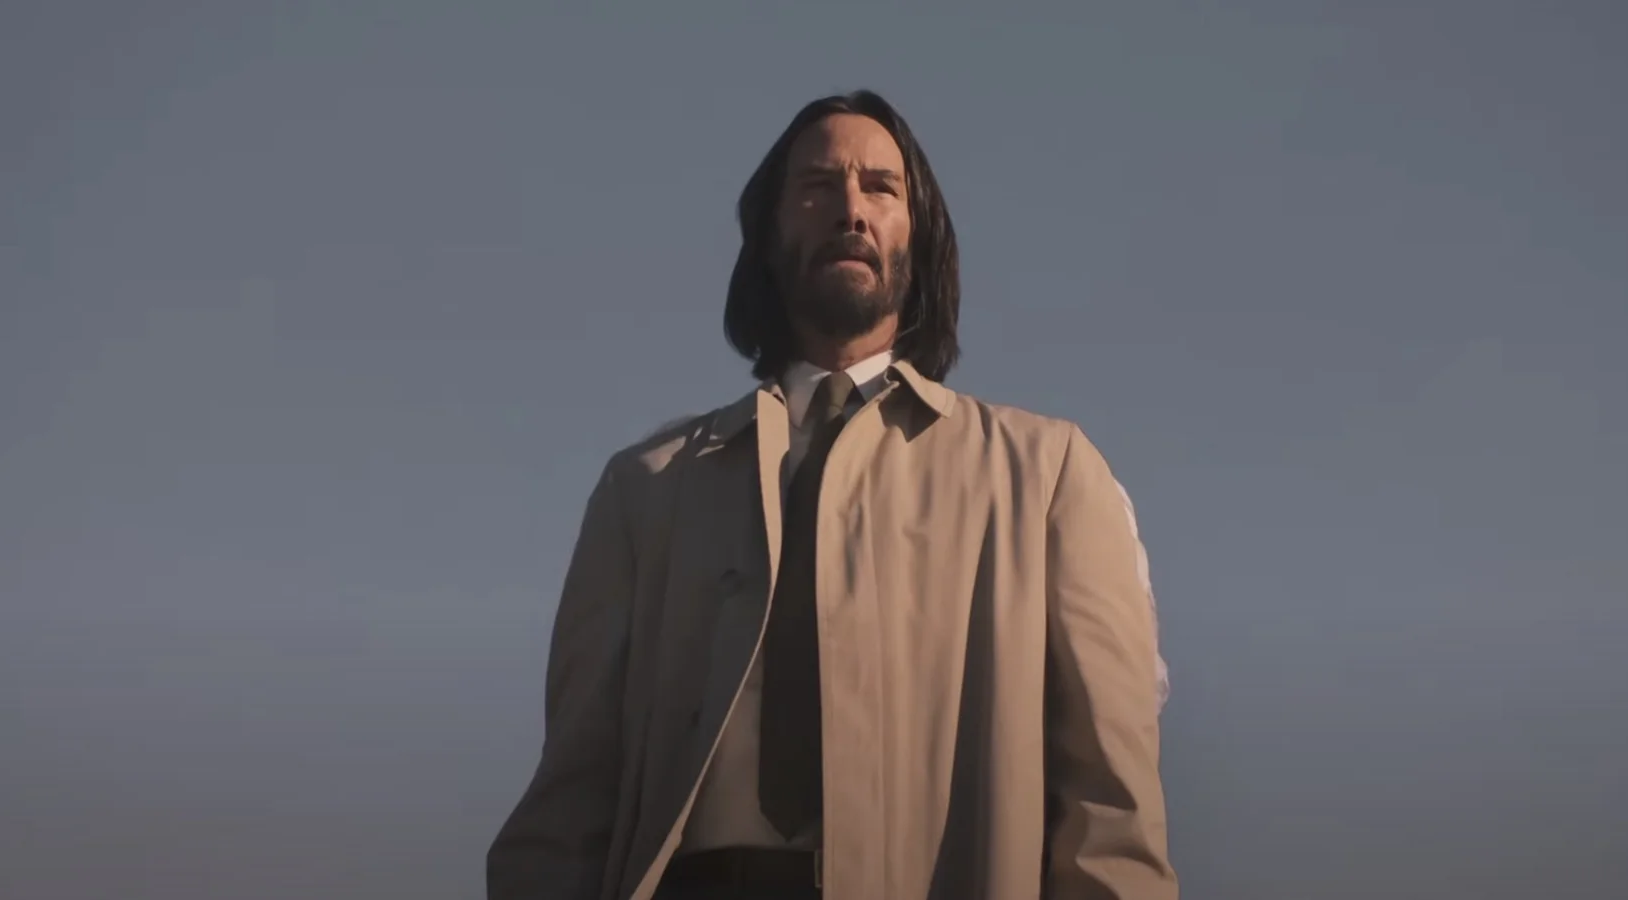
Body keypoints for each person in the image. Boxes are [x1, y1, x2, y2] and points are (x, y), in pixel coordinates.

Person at [487, 90, 1177, 899]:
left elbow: (1110, 812)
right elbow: (569, 803)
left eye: (881, 188)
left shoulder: (1048, 476)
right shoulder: (646, 490)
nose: (851, 209)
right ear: (770, 237)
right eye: (817, 187)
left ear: (919, 238)